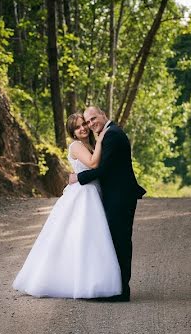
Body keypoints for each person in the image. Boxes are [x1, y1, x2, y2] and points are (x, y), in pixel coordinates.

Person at [12, 113, 122, 299]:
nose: (83, 128)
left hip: (93, 191)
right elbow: (94, 163)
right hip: (84, 195)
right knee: (79, 237)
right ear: (73, 132)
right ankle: (66, 281)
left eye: (84, 124)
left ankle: (90, 280)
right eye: (77, 127)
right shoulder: (77, 146)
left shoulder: (91, 144)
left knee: (91, 240)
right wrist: (102, 139)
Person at [68, 106, 146, 302]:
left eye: (93, 118)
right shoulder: (108, 134)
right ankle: (113, 287)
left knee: (120, 241)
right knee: (113, 241)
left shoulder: (111, 135)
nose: (91, 124)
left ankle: (120, 291)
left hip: (119, 197)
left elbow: (101, 169)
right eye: (88, 121)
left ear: (103, 114)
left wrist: (77, 177)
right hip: (113, 196)